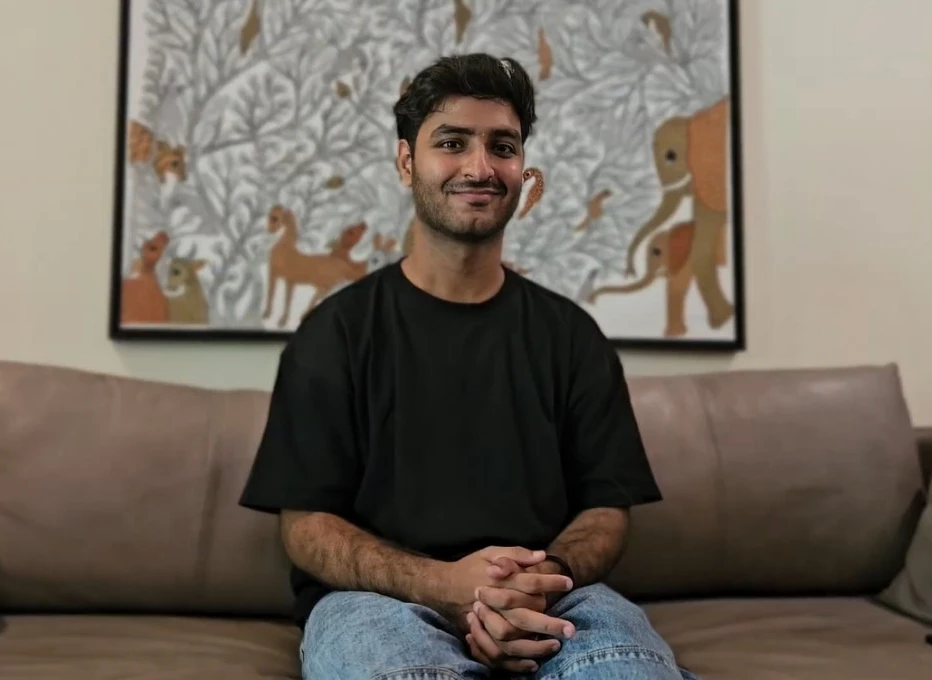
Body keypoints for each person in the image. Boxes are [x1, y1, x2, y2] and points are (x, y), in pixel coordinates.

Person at [239, 52, 698, 680]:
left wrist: (535, 581)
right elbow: (305, 526)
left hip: (553, 597)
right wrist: (442, 583)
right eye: (452, 143)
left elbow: (606, 511)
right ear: (407, 162)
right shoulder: (336, 333)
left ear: (522, 169)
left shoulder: (572, 337)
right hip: (375, 604)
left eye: (502, 147)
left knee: (627, 669)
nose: (480, 167)